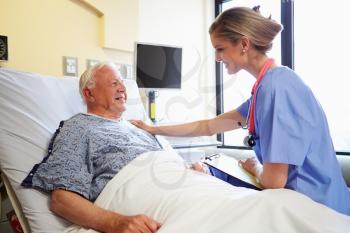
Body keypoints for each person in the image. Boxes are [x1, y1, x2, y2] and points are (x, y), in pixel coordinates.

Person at [130, 6, 350, 216]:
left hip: (320, 210)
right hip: (308, 202)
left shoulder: (277, 88)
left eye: (220, 48)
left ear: (244, 44)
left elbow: (274, 181)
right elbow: (209, 126)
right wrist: (154, 129)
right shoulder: (266, 87)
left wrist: (254, 166)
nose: (217, 57)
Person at [22, 63, 162, 233]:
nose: (123, 88)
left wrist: (189, 169)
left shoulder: (139, 128)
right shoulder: (79, 128)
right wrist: (115, 223)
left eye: (122, 83)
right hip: (147, 199)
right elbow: (62, 200)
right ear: (89, 93)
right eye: (114, 83)